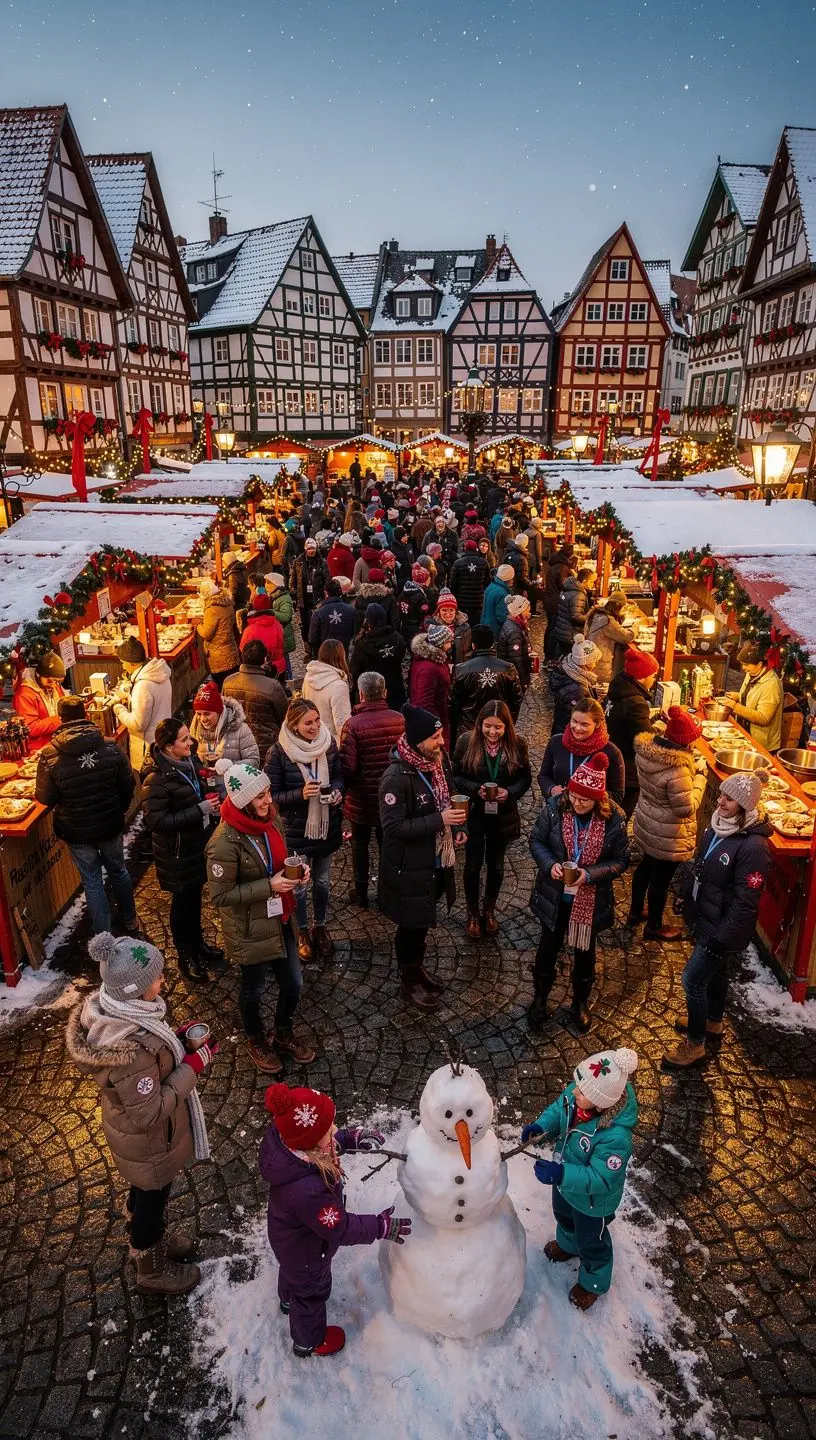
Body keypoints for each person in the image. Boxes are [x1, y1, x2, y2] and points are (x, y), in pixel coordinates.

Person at [66, 930, 215, 1294]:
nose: (163, 979)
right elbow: (150, 1113)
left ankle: (145, 1234)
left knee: (143, 1189)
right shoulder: (130, 1049)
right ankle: (149, 1265)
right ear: (134, 990)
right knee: (153, 1193)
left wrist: (175, 1044)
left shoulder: (122, 1015)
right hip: (149, 1142)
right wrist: (192, 1067)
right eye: (156, 976)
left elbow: (153, 1064)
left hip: (138, 1140)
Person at [259, 1082, 409, 1357]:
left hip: (289, 1240)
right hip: (308, 1253)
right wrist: (379, 1226)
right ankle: (309, 1340)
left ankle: (287, 1300)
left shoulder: (289, 1146)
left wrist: (350, 1140)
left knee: (292, 1273)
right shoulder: (309, 1192)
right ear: (312, 1145)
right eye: (329, 1130)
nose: (334, 1131)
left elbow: (318, 1142)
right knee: (311, 1293)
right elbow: (339, 1228)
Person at [206, 761, 315, 1073]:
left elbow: (279, 859)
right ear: (243, 802)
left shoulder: (270, 821)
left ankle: (282, 1032)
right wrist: (269, 885)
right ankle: (255, 1038)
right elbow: (220, 895)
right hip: (249, 930)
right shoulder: (223, 843)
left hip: (281, 919)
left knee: (293, 983)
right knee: (253, 990)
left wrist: (298, 874)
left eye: (268, 792)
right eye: (260, 797)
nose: (269, 800)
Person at [663, 770, 772, 1070]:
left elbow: (745, 904)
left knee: (693, 980)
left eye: (729, 799)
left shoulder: (754, 848)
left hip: (720, 929)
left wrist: (719, 939)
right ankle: (712, 1021)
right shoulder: (716, 827)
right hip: (706, 917)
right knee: (718, 975)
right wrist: (687, 893)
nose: (720, 801)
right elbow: (701, 863)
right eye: (722, 794)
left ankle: (696, 1045)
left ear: (745, 807)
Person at [521, 1046, 638, 1311]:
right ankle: (567, 1244)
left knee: (591, 1239)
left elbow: (600, 1178)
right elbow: (558, 1111)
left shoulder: (615, 1138)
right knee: (563, 1216)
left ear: (601, 1103)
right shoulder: (581, 1092)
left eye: (582, 1092)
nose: (574, 1091)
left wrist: (562, 1174)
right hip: (565, 1184)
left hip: (592, 1201)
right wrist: (541, 1127)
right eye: (577, 1083)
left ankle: (593, 1280)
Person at [528, 753, 629, 1035]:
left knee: (585, 952)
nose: (576, 802)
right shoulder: (555, 807)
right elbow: (536, 840)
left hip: (589, 901)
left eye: (584, 799)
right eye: (573, 796)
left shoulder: (614, 819)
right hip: (555, 896)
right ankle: (540, 997)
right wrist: (551, 865)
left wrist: (591, 874)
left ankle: (580, 1001)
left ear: (598, 799)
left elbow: (622, 860)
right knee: (548, 946)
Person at [378, 704, 466, 1011]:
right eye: (435, 738)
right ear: (417, 742)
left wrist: (456, 827)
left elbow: (448, 794)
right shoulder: (395, 778)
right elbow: (393, 827)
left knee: (421, 922)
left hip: (434, 861)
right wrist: (440, 821)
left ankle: (417, 970)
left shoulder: (437, 763)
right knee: (410, 925)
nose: (442, 742)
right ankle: (408, 982)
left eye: (441, 735)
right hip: (408, 867)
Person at [35, 695, 137, 935]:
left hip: (76, 830)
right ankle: (129, 918)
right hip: (109, 824)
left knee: (92, 880)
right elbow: (128, 784)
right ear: (86, 714)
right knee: (118, 870)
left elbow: (45, 798)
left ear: (60, 719)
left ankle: (102, 934)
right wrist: (118, 808)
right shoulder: (110, 746)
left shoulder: (50, 756)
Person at [141, 717, 223, 982]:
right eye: (184, 739)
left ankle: (197, 942)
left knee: (195, 897)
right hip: (176, 853)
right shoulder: (156, 779)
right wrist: (199, 810)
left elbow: (196, 795)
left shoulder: (190, 763)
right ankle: (185, 954)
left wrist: (210, 802)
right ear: (167, 746)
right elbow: (156, 822)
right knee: (181, 902)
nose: (191, 742)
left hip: (196, 845)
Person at [266, 698, 344, 962]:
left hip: (326, 826)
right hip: (296, 830)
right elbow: (272, 796)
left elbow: (340, 776)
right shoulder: (279, 751)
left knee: (322, 881)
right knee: (298, 886)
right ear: (294, 725)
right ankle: (301, 931)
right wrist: (299, 794)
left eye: (317, 720)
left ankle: (320, 926)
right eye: (307, 723)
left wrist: (337, 792)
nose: (314, 727)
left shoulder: (328, 743)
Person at [453, 700, 532, 938]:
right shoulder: (467, 742)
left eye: (498, 727)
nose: (492, 732)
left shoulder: (518, 745)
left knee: (496, 865)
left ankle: (489, 910)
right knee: (473, 865)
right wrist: (475, 788)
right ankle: (472, 913)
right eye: (488, 726)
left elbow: (525, 779)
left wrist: (510, 793)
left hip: (502, 815)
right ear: (480, 724)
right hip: (476, 812)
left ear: (507, 727)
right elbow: (456, 775)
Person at [629, 706, 707, 940]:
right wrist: (700, 778)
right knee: (660, 881)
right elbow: (685, 807)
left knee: (645, 867)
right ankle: (654, 926)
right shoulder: (677, 769)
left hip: (648, 822)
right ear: (686, 743)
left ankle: (634, 912)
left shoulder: (647, 751)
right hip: (668, 833)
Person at [340, 672, 405, 907]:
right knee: (387, 844)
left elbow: (348, 767)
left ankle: (361, 891)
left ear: (361, 695)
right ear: (385, 692)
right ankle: (388, 891)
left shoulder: (352, 725)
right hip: (392, 797)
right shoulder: (400, 720)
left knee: (360, 845)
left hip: (362, 799)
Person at [538, 698, 625, 806]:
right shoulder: (556, 742)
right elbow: (543, 776)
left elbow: (617, 795)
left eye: (584, 724)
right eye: (574, 721)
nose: (577, 728)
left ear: (597, 724)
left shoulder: (611, 752)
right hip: (558, 809)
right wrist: (552, 789)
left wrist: (588, 796)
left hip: (591, 816)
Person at [604, 647, 659, 819]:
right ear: (642, 678)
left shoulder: (617, 690)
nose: (654, 679)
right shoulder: (636, 703)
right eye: (653, 675)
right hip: (627, 771)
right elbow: (644, 742)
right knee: (620, 815)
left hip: (612, 760)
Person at [449, 625, 522, 742]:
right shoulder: (508, 669)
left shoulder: (461, 670)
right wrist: (507, 722)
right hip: (498, 727)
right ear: (492, 644)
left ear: (473, 645)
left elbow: (453, 704)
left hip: (469, 729)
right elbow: (516, 701)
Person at [112, 637, 174, 773]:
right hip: (163, 739)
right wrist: (129, 697)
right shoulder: (159, 675)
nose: (122, 666)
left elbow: (138, 724)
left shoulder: (143, 686)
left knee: (150, 786)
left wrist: (118, 708)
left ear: (132, 663)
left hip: (148, 749)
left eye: (123, 663)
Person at [222, 639, 289, 758]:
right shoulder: (272, 686)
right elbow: (284, 716)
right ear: (264, 660)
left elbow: (224, 713)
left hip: (237, 744)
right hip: (266, 744)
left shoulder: (228, 682)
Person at [721, 642, 784, 753]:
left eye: (746, 664)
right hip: (745, 732)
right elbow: (752, 695)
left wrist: (735, 706)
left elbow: (763, 718)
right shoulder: (752, 673)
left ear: (760, 664)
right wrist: (738, 696)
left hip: (761, 743)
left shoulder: (771, 685)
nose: (743, 668)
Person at [189, 680, 259, 773]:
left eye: (207, 714)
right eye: (198, 714)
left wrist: (231, 766)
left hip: (231, 785)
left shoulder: (241, 729)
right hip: (205, 785)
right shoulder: (194, 729)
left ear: (219, 712)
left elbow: (254, 761)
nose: (202, 719)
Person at [348, 603, 407, 709]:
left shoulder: (362, 645)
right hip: (396, 693)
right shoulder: (398, 640)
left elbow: (354, 670)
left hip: (371, 697)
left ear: (368, 622)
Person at [409, 623, 453, 748]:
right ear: (440, 644)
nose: (451, 645)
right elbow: (425, 701)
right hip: (433, 723)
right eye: (449, 642)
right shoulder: (430, 667)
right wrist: (436, 726)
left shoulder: (434, 660)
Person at [549, 637, 602, 735]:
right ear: (587, 663)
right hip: (569, 734)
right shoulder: (577, 690)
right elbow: (582, 717)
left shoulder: (572, 671)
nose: (597, 663)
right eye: (595, 660)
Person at [302, 640, 352, 741]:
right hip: (331, 744)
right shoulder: (339, 686)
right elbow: (342, 724)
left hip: (312, 739)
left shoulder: (308, 677)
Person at [13, 650, 66, 743]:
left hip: (58, 740)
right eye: (50, 680)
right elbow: (30, 728)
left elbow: (64, 705)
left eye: (58, 681)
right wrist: (62, 719)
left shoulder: (54, 685)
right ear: (38, 675)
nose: (53, 685)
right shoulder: (25, 695)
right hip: (39, 748)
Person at [584, 593, 634, 691]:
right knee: (601, 689)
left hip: (591, 656)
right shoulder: (607, 621)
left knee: (592, 687)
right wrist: (636, 627)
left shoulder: (596, 614)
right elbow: (627, 637)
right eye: (623, 608)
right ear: (617, 607)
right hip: (600, 662)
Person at [197, 579, 240, 687]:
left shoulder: (212, 609)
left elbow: (206, 633)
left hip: (219, 656)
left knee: (221, 686)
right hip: (230, 651)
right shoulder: (227, 603)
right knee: (231, 686)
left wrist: (198, 625)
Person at [293, 538, 329, 660]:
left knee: (318, 625)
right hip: (303, 600)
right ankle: (309, 651)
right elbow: (293, 579)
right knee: (306, 626)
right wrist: (294, 593)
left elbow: (327, 580)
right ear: (305, 549)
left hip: (318, 600)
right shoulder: (298, 562)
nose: (311, 550)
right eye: (309, 548)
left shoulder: (322, 562)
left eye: (313, 548)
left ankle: (317, 651)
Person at [552, 565, 596, 659]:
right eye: (592, 581)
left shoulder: (570, 586)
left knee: (562, 657)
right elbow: (576, 617)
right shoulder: (578, 595)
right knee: (569, 660)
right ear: (584, 581)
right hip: (570, 633)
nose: (593, 584)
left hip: (563, 629)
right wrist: (590, 616)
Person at [240, 593, 286, 677]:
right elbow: (283, 646)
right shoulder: (277, 625)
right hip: (278, 669)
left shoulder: (250, 630)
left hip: (257, 672)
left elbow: (243, 649)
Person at [448, 540, 490, 629]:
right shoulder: (483, 562)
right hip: (478, 601)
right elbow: (488, 582)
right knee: (476, 625)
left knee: (463, 626)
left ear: (465, 549)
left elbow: (452, 584)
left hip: (462, 602)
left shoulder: (458, 563)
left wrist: (455, 598)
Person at [543, 545, 575, 658]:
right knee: (554, 630)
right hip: (555, 603)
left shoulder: (556, 565)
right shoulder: (562, 568)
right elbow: (563, 585)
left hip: (550, 601)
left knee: (550, 628)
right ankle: (550, 655)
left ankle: (548, 652)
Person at [497, 594, 534, 693]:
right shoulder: (514, 632)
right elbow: (516, 659)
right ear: (519, 612)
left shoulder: (515, 625)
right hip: (514, 676)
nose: (529, 611)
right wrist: (522, 681)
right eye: (527, 609)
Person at [309, 578, 355, 654]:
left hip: (325, 653)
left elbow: (313, 638)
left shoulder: (318, 613)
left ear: (326, 593)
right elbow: (354, 633)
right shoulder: (351, 610)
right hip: (344, 652)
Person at [265, 573, 297, 680]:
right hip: (278, 635)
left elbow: (286, 616)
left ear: (276, 584)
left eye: (268, 583)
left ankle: (289, 681)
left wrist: (271, 612)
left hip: (284, 636)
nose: (266, 586)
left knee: (285, 661)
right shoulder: (274, 596)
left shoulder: (284, 598)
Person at [352, 566, 400, 635]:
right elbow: (395, 621)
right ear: (383, 581)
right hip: (385, 637)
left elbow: (357, 621)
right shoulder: (389, 598)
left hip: (366, 638)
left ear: (368, 580)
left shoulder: (360, 598)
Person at [430, 589, 472, 666]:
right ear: (438, 611)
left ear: (456, 611)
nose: (448, 614)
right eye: (444, 610)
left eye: (451, 610)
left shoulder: (465, 627)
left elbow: (468, 652)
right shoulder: (433, 627)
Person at [398, 564, 434, 645]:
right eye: (428, 577)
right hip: (416, 629)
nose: (430, 579)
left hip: (404, 626)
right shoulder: (421, 595)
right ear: (424, 580)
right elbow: (425, 612)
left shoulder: (404, 592)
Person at [480, 563, 515, 639]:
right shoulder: (502, 593)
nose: (513, 581)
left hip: (485, 623)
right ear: (507, 579)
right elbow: (501, 617)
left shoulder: (491, 586)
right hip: (494, 629)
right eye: (512, 578)